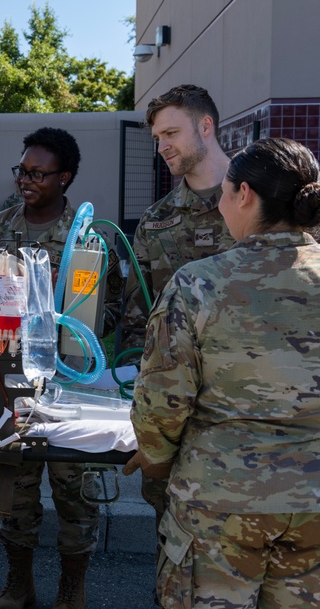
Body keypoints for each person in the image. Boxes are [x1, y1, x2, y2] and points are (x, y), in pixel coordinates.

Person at [130, 137, 320, 609]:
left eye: (223, 193)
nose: (218, 205)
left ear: (245, 195)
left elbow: (160, 404)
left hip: (219, 504)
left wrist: (153, 457)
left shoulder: (199, 283)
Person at [0, 127, 123, 609]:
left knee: (74, 493)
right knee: (16, 491)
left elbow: (107, 315)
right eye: (22, 170)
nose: (26, 180)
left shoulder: (88, 240)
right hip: (11, 383)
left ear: (64, 178)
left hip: (69, 383)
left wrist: (63, 316)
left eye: (38, 173)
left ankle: (72, 587)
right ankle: (19, 582)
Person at [120, 85, 233, 550]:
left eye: (171, 132)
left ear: (205, 126)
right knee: (177, 554)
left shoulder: (267, 204)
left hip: (255, 411)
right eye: (156, 137)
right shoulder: (157, 221)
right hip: (178, 416)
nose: (162, 144)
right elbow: (137, 322)